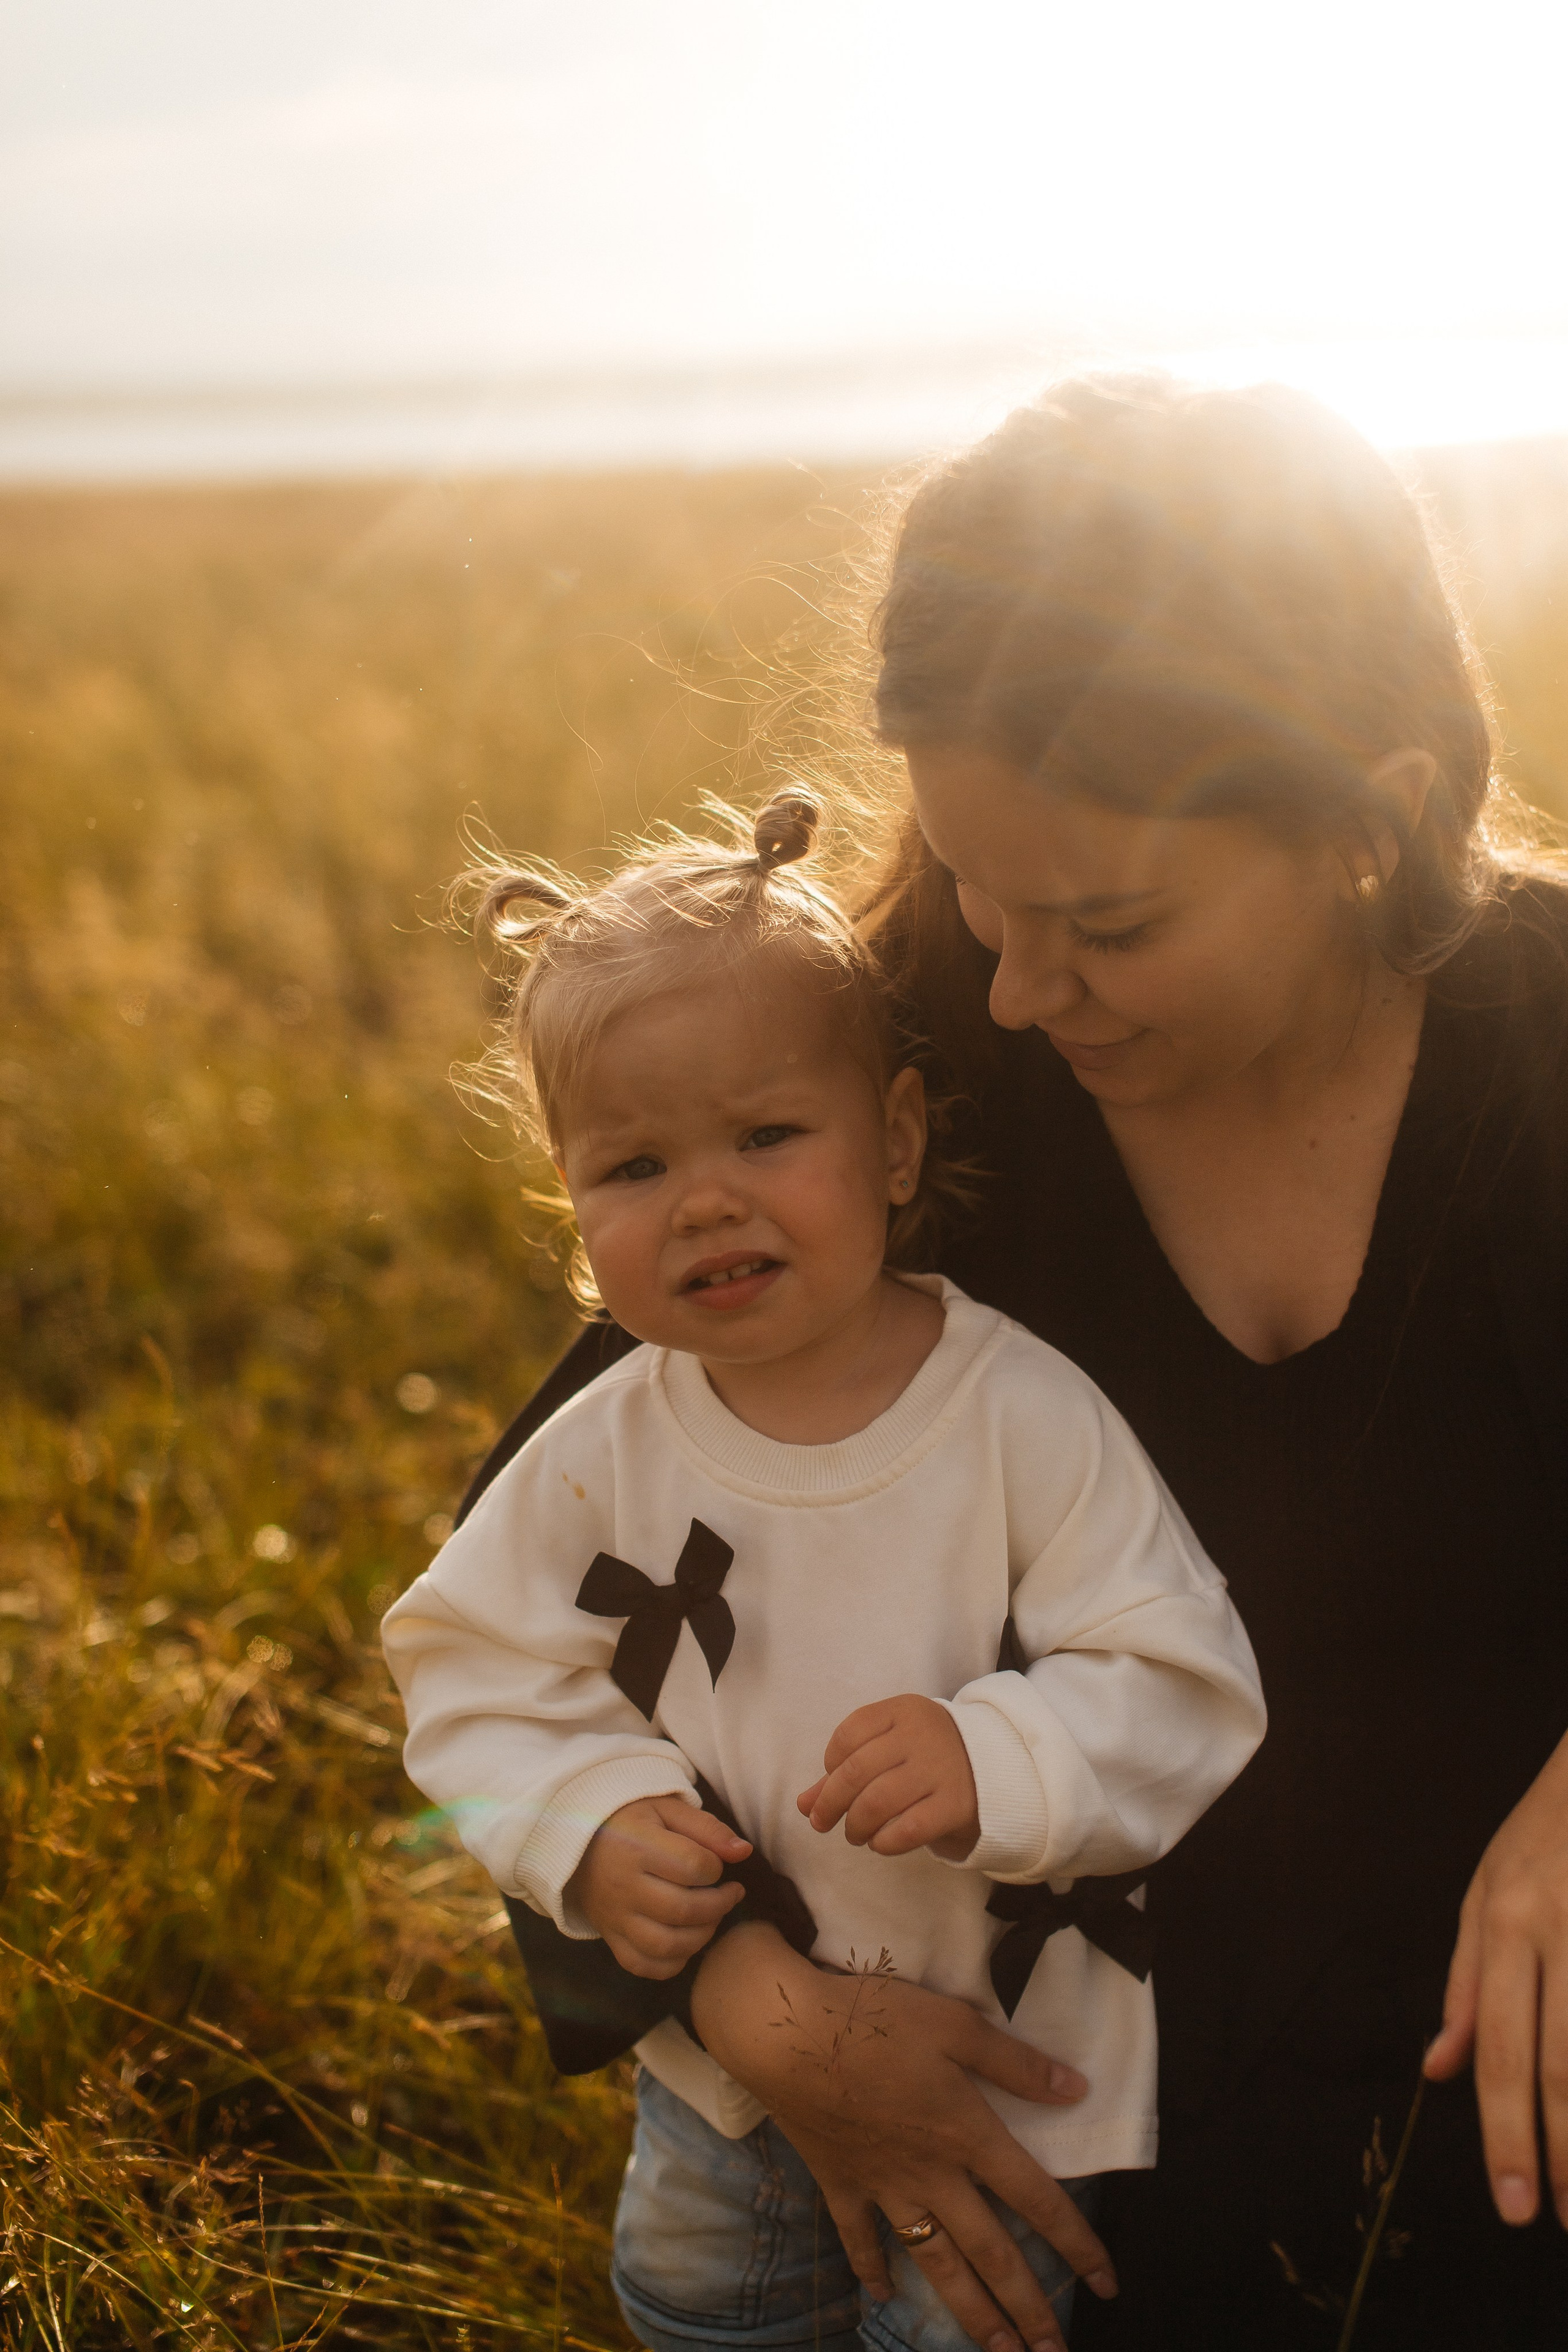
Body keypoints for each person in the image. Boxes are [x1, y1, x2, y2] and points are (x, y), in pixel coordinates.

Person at [459, 375, 1568, 2348]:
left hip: (1504, 2103)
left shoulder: (1551, 1049)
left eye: (1109, 923)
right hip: (1059, 2137)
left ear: (1373, 823)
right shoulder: (900, 1092)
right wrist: (761, 2014)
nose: (1014, 984)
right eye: (978, 882)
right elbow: (554, 1570)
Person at [382, 794, 1267, 2352]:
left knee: (966, 2330)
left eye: (766, 1136)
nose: (705, 1199)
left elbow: (1174, 1670)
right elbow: (469, 1666)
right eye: (634, 1165)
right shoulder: (605, 1448)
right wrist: (582, 1824)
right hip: (719, 2095)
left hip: (996, 2075)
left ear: (898, 1138)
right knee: (701, 2314)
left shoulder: (1018, 1414)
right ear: (573, 1209)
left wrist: (998, 1750)